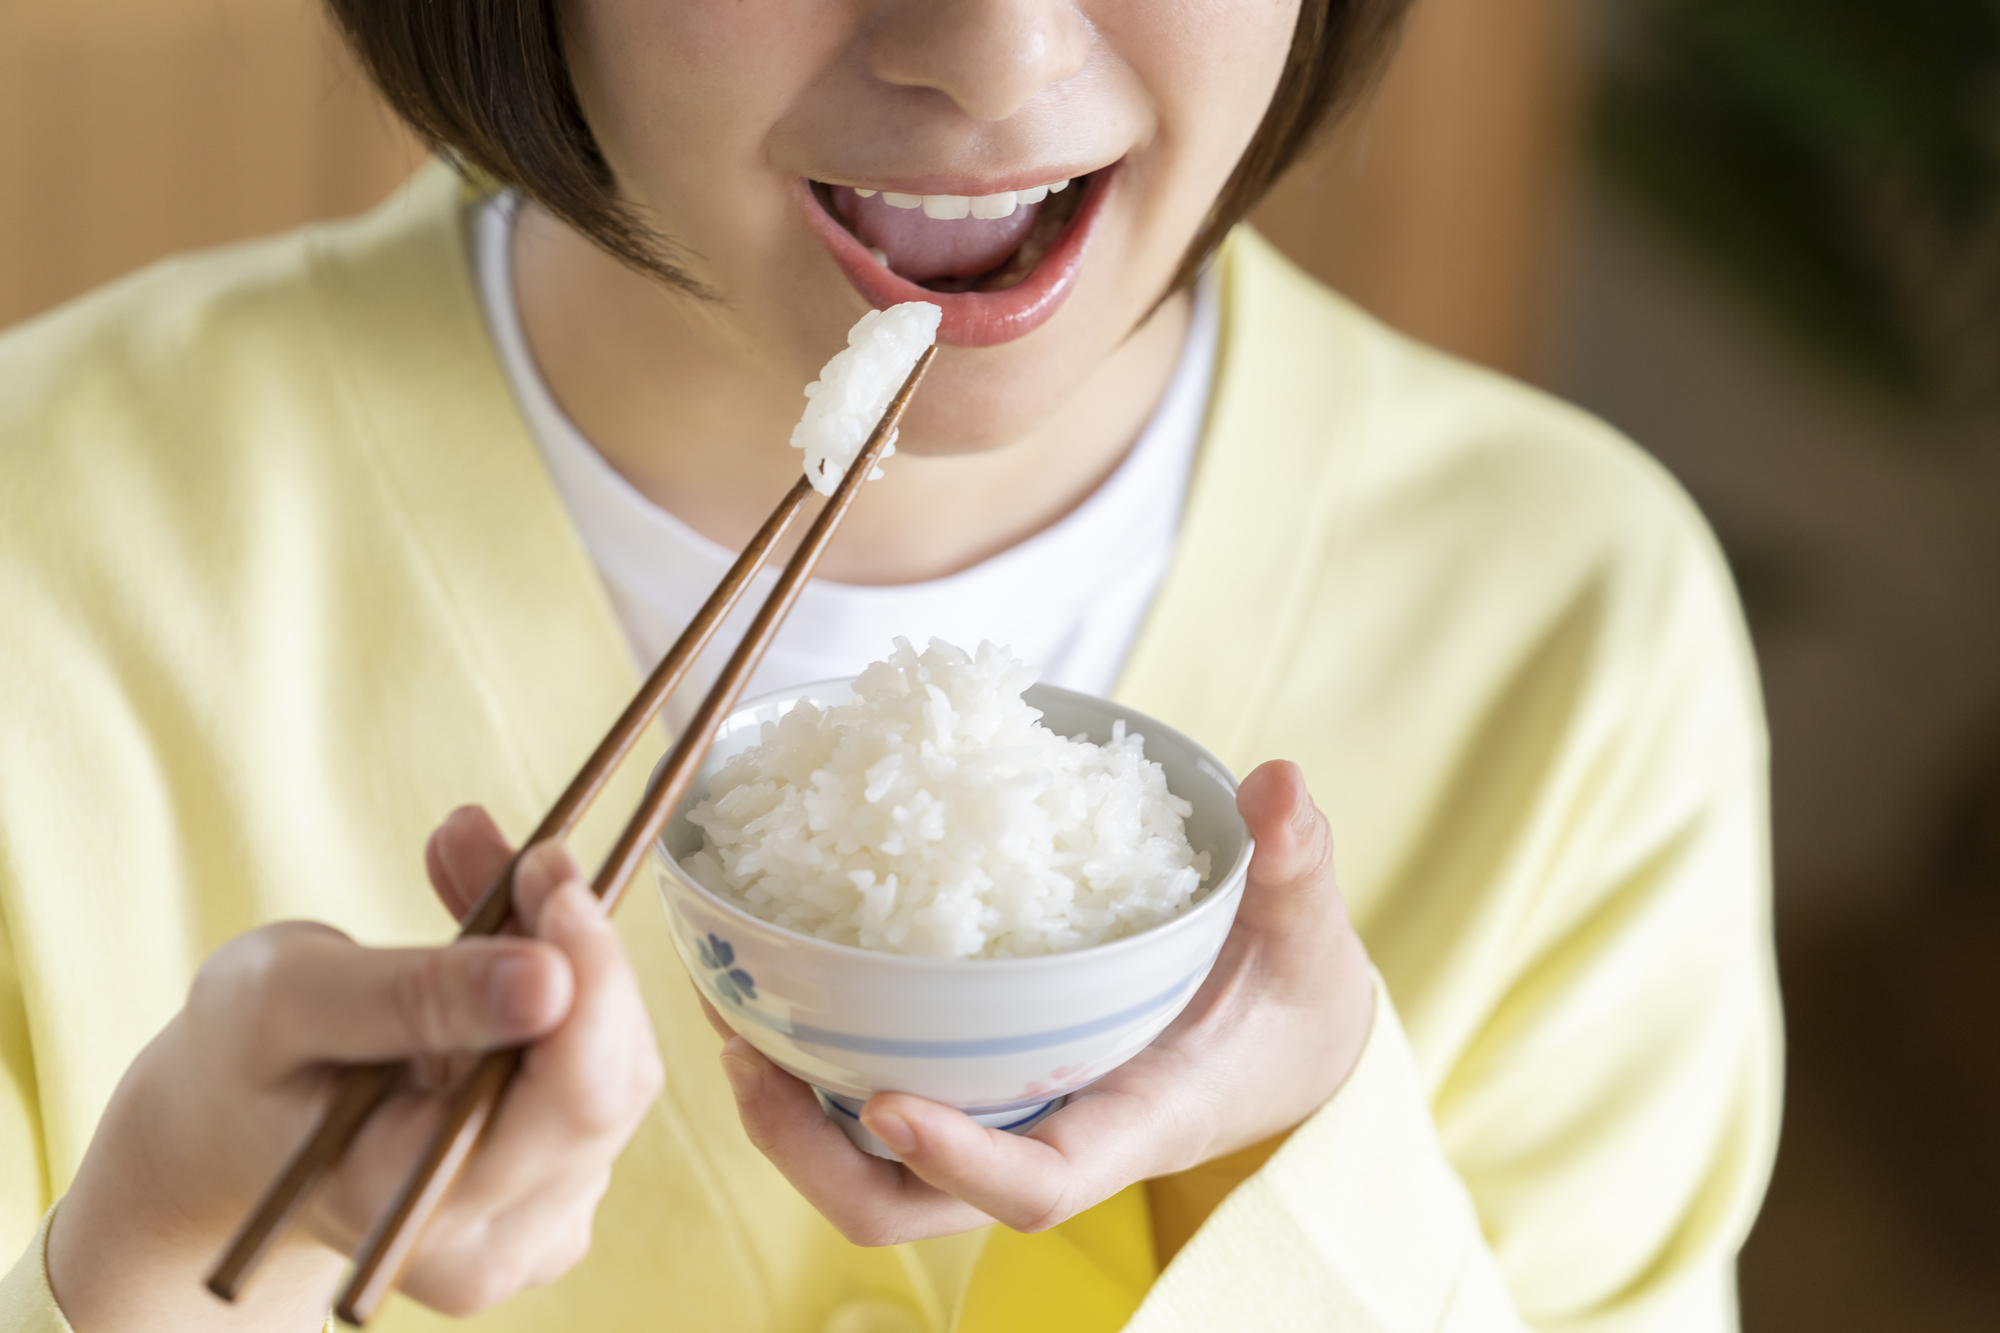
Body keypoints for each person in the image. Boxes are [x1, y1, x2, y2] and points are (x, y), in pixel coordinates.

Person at [0, 1, 1782, 1330]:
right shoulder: (48, 544)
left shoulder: (1577, 630)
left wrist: (1295, 1184)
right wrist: (150, 1259)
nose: (993, 55)